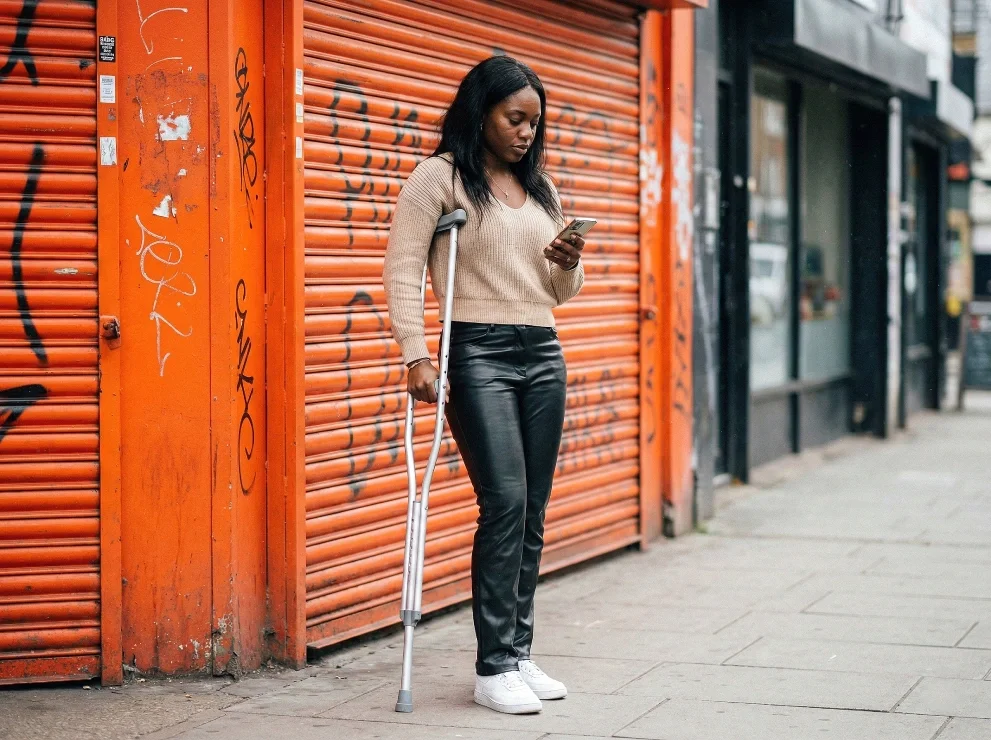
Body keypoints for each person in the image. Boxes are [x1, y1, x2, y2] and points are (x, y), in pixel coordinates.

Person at [383, 55, 585, 715]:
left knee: (530, 511)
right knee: (502, 503)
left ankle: (519, 653)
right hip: (477, 351)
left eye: (534, 121)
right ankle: (492, 667)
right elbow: (404, 265)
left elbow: (558, 293)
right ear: (482, 111)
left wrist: (568, 262)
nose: (526, 132)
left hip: (541, 351)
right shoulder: (440, 177)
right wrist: (415, 354)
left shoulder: (543, 190)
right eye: (513, 118)